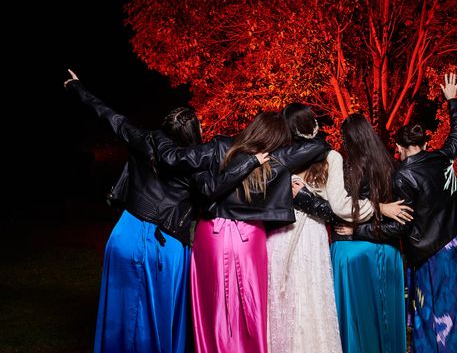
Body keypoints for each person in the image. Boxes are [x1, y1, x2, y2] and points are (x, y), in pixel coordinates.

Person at [64, 69, 264, 353]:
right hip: (166, 244)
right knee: (159, 316)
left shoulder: (142, 139)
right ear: (193, 132)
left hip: (126, 233)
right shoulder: (196, 162)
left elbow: (107, 115)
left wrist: (76, 87)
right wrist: (250, 162)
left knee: (121, 314)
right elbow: (212, 190)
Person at [152, 111, 331, 353]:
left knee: (212, 303)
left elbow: (178, 159)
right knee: (249, 306)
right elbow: (320, 145)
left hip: (212, 231)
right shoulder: (278, 159)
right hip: (249, 236)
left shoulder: (221, 146)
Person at [266, 103, 413, 353]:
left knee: (285, 304)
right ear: (313, 125)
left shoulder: (275, 156)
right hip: (312, 236)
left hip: (279, 236)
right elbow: (341, 207)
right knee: (312, 302)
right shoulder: (332, 156)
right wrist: (379, 208)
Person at [352, 73, 457, 353]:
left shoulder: (403, 177)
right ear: (425, 144)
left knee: (436, 315)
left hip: (434, 255)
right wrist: (452, 101)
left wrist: (359, 231)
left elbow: (400, 225)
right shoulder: (442, 157)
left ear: (399, 148)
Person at [330, 113, 407, 353]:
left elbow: (338, 209)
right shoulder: (392, 166)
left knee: (357, 318)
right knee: (385, 317)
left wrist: (355, 229)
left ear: (347, 139)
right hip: (388, 250)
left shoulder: (345, 167)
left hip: (353, 249)